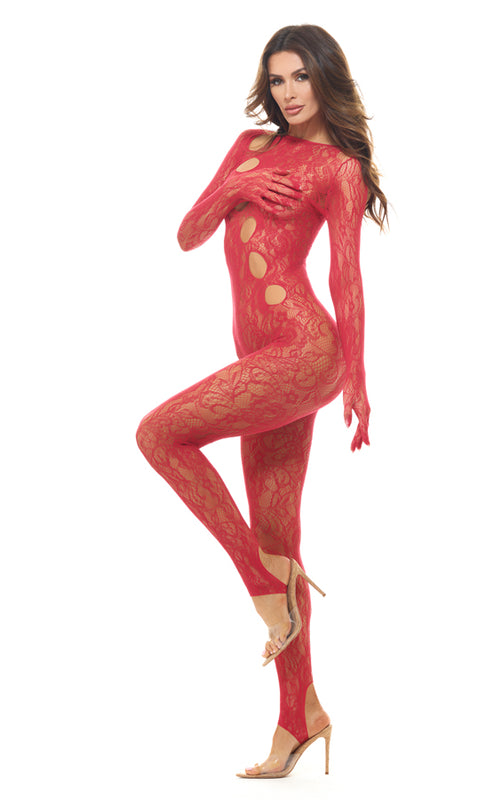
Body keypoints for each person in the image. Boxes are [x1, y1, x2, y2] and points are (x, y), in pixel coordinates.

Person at [136, 23, 388, 778]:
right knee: (279, 535)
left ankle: (260, 585)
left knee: (158, 435)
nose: (288, 92)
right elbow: (187, 234)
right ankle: (298, 715)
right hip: (261, 361)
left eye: (300, 77)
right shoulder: (248, 149)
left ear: (325, 78)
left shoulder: (338, 168)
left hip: (305, 354)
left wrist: (357, 375)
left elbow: (346, 274)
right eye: (277, 79)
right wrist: (234, 187)